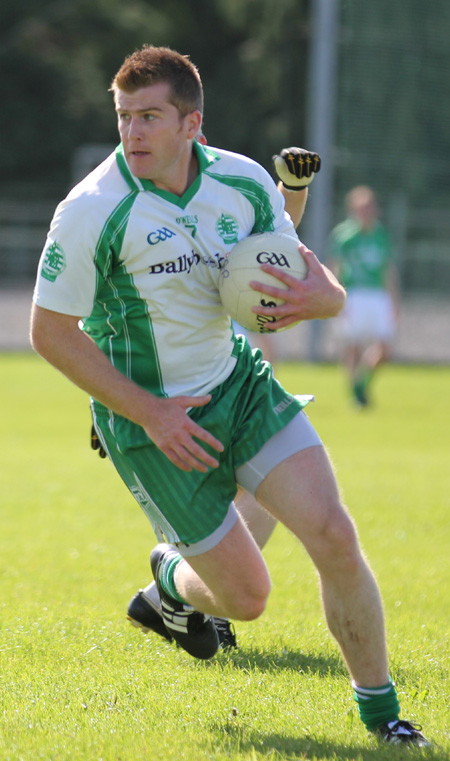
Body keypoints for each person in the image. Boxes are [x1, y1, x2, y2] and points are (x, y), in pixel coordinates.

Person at [30, 46, 427, 746]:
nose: (133, 133)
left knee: (334, 533)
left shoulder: (242, 183)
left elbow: (307, 277)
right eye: (124, 117)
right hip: (152, 422)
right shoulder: (92, 208)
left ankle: (383, 717)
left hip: (238, 383)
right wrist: (145, 409)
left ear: (192, 123)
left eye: (150, 117)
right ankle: (173, 581)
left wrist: (322, 299)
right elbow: (50, 332)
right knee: (248, 598)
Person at [122, 142, 322, 647]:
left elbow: (274, 238)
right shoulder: (123, 208)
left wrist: (292, 190)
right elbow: (105, 315)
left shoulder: (226, 190)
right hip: (167, 396)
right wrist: (118, 401)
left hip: (229, 375)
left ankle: (174, 593)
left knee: (264, 486)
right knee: (241, 493)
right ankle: (176, 585)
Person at [327, 186, 400, 407]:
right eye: (362, 208)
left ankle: (362, 382)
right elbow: (335, 268)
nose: (367, 212)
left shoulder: (380, 234)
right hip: (354, 293)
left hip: (377, 295)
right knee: (352, 345)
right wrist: (335, 297)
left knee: (385, 347)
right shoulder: (344, 236)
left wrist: (394, 301)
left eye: (370, 207)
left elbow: (388, 269)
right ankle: (356, 394)